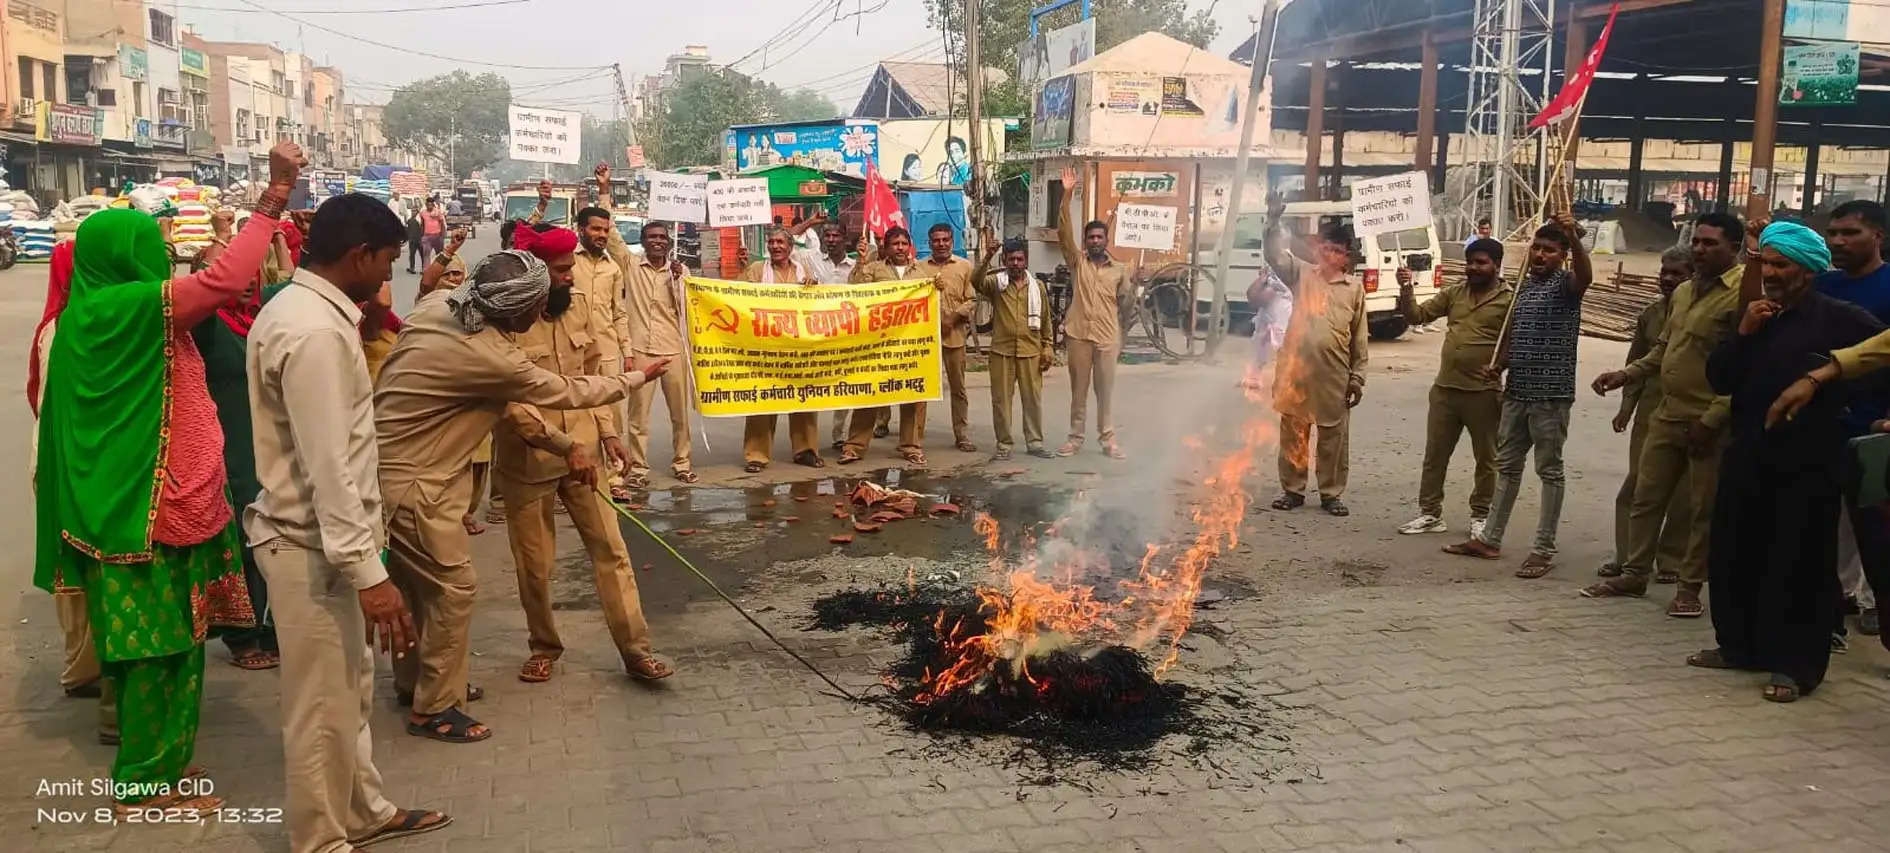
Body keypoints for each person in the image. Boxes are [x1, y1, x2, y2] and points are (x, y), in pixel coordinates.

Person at [34, 143, 307, 812]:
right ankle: (144, 783)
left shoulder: (80, 317)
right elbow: (220, 283)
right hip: (146, 515)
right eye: (150, 240)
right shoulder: (125, 308)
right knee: (162, 649)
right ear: (124, 255)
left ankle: (152, 762)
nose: (161, 250)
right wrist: (273, 197)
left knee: (144, 647)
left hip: (114, 510)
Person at [374, 247, 666, 743]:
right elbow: (565, 391)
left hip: (401, 475)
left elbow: (520, 396)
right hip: (421, 484)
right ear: (518, 309)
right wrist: (639, 376)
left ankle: (418, 684)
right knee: (451, 590)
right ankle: (436, 707)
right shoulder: (488, 352)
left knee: (415, 590)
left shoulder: (439, 310)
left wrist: (581, 441)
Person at [245, 192, 453, 852]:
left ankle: (361, 809)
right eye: (388, 259)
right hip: (312, 546)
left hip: (331, 542)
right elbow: (329, 465)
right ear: (359, 256)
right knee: (319, 707)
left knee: (350, 693)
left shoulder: (311, 313)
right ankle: (320, 836)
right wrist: (370, 574)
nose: (389, 273)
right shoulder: (313, 331)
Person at [1691, 221, 1883, 702]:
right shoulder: (1757, 316)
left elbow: (1878, 362)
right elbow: (1720, 378)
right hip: (1749, 450)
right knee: (1736, 550)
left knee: (1798, 560)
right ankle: (1739, 647)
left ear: (1808, 269)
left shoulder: (1842, 319)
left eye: (1782, 264)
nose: (1771, 273)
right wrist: (1744, 330)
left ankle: (1795, 665)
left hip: (1810, 458)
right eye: (1766, 263)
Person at [498, 224, 674, 685]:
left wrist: (608, 433)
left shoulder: (576, 308)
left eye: (570, 268)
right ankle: (544, 647)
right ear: (536, 273)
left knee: (612, 550)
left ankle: (636, 650)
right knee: (535, 566)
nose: (571, 277)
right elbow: (512, 404)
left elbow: (592, 375)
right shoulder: (507, 319)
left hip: (585, 454)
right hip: (529, 460)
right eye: (561, 271)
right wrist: (562, 445)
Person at [1583, 212, 1742, 613]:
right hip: (1667, 414)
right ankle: (1635, 573)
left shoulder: (1743, 295)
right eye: (1698, 242)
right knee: (1646, 495)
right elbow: (1664, 348)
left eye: (1711, 244)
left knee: (1700, 508)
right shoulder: (1686, 292)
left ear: (1734, 248)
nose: (1701, 250)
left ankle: (1689, 588)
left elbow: (1747, 365)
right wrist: (1625, 374)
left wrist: (1714, 418)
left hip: (1709, 418)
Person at [1445, 213, 1592, 576]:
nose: (1541, 255)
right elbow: (1516, 338)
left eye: (1550, 250)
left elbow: (1586, 277)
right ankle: (1489, 539)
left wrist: (1574, 238)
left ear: (1562, 256)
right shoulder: (1523, 289)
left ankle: (1543, 548)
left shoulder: (1566, 286)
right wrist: (1500, 366)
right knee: (1507, 467)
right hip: (1517, 392)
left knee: (1549, 471)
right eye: (1537, 248)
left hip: (1550, 395)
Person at [27, 241, 116, 745]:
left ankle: (82, 665)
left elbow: (34, 392)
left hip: (58, 453)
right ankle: (89, 668)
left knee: (78, 568)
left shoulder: (53, 325)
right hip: (76, 459)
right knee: (85, 567)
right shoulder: (74, 326)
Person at [1393, 238, 1513, 537]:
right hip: (1445, 390)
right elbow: (1416, 316)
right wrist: (1406, 287)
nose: (1473, 267)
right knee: (1435, 455)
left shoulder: (1511, 300)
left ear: (1496, 265)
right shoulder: (1455, 293)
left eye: (1481, 262)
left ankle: (1481, 516)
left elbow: (1517, 341)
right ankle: (1430, 514)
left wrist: (1501, 365)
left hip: (1483, 393)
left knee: (1487, 459)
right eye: (1471, 262)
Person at [593, 166, 699, 489]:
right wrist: (605, 189)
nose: (657, 242)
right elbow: (610, 234)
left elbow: (689, 311)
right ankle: (637, 469)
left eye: (662, 238)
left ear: (668, 243)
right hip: (640, 351)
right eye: (651, 237)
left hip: (673, 351)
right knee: (638, 418)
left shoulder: (681, 272)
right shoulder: (628, 264)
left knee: (680, 415)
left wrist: (680, 282)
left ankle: (682, 462)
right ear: (643, 241)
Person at [1816, 200, 1890, 638]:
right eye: (1834, 234)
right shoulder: (1824, 286)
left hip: (1877, 428)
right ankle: (1836, 605)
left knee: (1876, 531)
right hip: (1827, 421)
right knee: (1827, 522)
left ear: (1877, 235)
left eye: (1850, 234)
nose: (1839, 241)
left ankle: (1874, 606)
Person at [1262, 214, 1369, 516]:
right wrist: (1272, 223)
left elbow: (1359, 339)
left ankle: (1331, 493)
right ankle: (1292, 491)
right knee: (1294, 434)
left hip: (1334, 377)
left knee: (1332, 439)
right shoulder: (1301, 273)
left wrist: (1357, 378)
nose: (1329, 254)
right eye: (1325, 248)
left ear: (1346, 256)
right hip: (1296, 373)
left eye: (1337, 250)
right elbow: (1274, 255)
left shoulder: (1354, 289)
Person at [1596, 247, 1692, 581]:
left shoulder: (1703, 314)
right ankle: (1628, 556)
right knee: (1637, 486)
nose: (1667, 279)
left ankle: (1672, 561)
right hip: (1650, 412)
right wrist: (1626, 406)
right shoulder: (1650, 314)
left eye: (1677, 274)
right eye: (1664, 272)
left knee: (1684, 491)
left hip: (1690, 411)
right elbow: (1637, 361)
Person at [782, 211, 880, 450]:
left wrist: (863, 261)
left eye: (837, 235)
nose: (832, 239)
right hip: (817, 336)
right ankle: (807, 443)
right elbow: (786, 237)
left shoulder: (859, 264)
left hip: (849, 334)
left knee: (848, 384)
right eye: (828, 235)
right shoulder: (811, 259)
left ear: (845, 239)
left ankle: (840, 436)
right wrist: (811, 223)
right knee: (811, 386)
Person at [1055, 168, 1134, 460]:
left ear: (1106, 240)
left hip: (1107, 338)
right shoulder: (1078, 263)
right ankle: (1074, 439)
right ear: (1086, 241)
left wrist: (1119, 333)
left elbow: (1127, 304)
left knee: (1105, 392)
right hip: (1078, 335)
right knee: (1079, 392)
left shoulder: (1120, 270)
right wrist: (1066, 193)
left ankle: (1108, 439)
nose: (1095, 241)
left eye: (1100, 237)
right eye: (1091, 237)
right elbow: (1063, 232)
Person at [844, 226, 933, 465]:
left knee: (913, 394)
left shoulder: (922, 272)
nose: (900, 248)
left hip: (910, 342)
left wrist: (938, 289)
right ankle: (854, 446)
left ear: (909, 246)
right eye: (895, 244)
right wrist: (861, 262)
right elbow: (855, 291)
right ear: (886, 247)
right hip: (878, 343)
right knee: (869, 393)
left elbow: (931, 302)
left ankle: (911, 446)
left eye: (904, 243)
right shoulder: (873, 269)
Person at [741, 228, 824, 471]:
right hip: (766, 347)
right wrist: (742, 268)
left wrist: (812, 287)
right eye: (771, 242)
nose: (775, 246)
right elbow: (736, 297)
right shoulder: (757, 270)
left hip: (798, 347)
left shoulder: (803, 271)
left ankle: (805, 450)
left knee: (803, 398)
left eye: (780, 242)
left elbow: (815, 304)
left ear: (790, 247)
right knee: (763, 399)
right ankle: (757, 454)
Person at [975, 230, 1054, 460]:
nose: (1016, 263)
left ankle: (1035, 442)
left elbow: (1046, 319)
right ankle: (1004, 444)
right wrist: (988, 256)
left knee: (1033, 400)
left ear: (1026, 260)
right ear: (1005, 261)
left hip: (1031, 352)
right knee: (1001, 401)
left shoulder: (1037, 287)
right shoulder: (996, 284)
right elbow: (975, 281)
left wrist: (1047, 347)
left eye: (1020, 259)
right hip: (1002, 352)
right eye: (1011, 259)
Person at [921, 222, 980, 453]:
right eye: (936, 240)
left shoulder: (964, 267)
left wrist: (954, 317)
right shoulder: (919, 267)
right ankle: (914, 438)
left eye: (945, 240)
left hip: (954, 336)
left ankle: (962, 434)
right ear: (930, 243)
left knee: (958, 388)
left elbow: (973, 299)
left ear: (952, 242)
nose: (941, 244)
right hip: (925, 338)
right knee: (922, 388)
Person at [420, 200, 446, 265]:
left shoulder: (438, 212)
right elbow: (422, 224)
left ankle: (441, 268)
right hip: (427, 236)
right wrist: (421, 236)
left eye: (431, 205)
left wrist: (442, 236)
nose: (429, 206)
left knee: (439, 254)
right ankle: (426, 270)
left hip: (437, 236)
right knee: (426, 254)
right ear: (426, 205)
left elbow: (442, 223)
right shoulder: (423, 213)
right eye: (428, 205)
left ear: (433, 205)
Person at [405, 204, 425, 274]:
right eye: (412, 211)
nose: (413, 212)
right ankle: (412, 268)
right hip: (412, 240)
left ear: (417, 212)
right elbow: (407, 230)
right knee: (412, 255)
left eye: (414, 211)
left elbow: (423, 230)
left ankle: (424, 269)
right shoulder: (409, 220)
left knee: (422, 255)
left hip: (420, 240)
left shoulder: (420, 220)